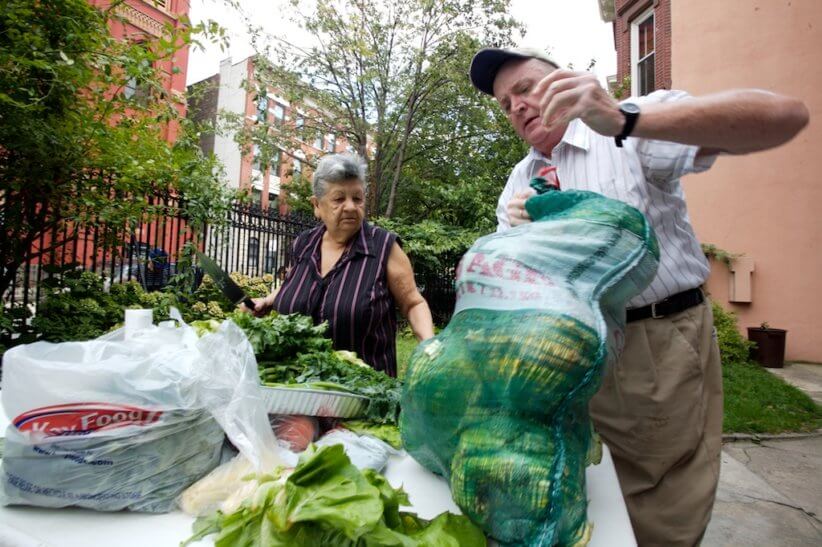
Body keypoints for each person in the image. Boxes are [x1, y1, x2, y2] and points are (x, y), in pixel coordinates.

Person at [468, 47, 809, 546]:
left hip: (655, 343)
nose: (516, 106)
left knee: (661, 507)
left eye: (524, 89)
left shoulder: (625, 132)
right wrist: (516, 245)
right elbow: (518, 289)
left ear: (565, 82)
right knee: (582, 496)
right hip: (568, 354)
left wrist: (622, 118)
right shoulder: (520, 184)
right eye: (505, 104)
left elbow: (784, 117)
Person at [248, 153, 434, 377]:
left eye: (357, 198)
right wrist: (269, 300)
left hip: (364, 396)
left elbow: (413, 303)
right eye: (339, 199)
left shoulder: (383, 247)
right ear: (317, 205)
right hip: (299, 393)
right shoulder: (304, 244)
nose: (350, 207)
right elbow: (298, 283)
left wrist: (429, 347)